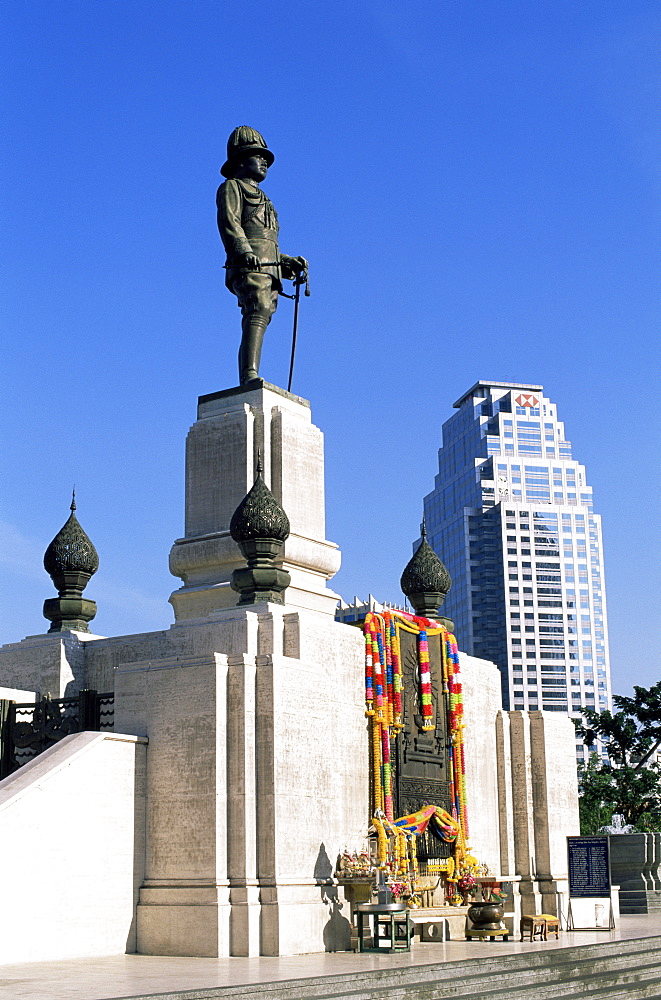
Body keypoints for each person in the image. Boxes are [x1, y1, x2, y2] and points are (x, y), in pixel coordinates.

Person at [216, 126, 307, 385]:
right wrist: (243, 251)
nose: (265, 162)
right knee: (258, 309)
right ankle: (249, 375)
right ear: (241, 161)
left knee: (263, 314)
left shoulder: (265, 198)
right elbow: (229, 223)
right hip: (248, 264)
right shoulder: (231, 187)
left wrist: (286, 261)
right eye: (259, 156)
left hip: (269, 266)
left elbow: (267, 241)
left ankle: (249, 373)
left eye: (266, 158)